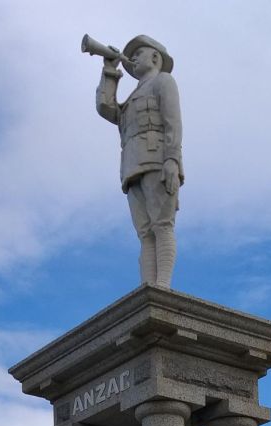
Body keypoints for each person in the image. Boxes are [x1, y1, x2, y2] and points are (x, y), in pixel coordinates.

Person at [95, 35, 184, 289]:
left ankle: (162, 285)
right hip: (132, 166)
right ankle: (149, 287)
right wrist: (110, 70)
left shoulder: (163, 82)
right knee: (145, 232)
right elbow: (107, 108)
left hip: (158, 160)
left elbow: (173, 123)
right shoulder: (134, 95)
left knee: (162, 224)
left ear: (155, 57)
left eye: (139, 53)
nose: (133, 58)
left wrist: (172, 160)